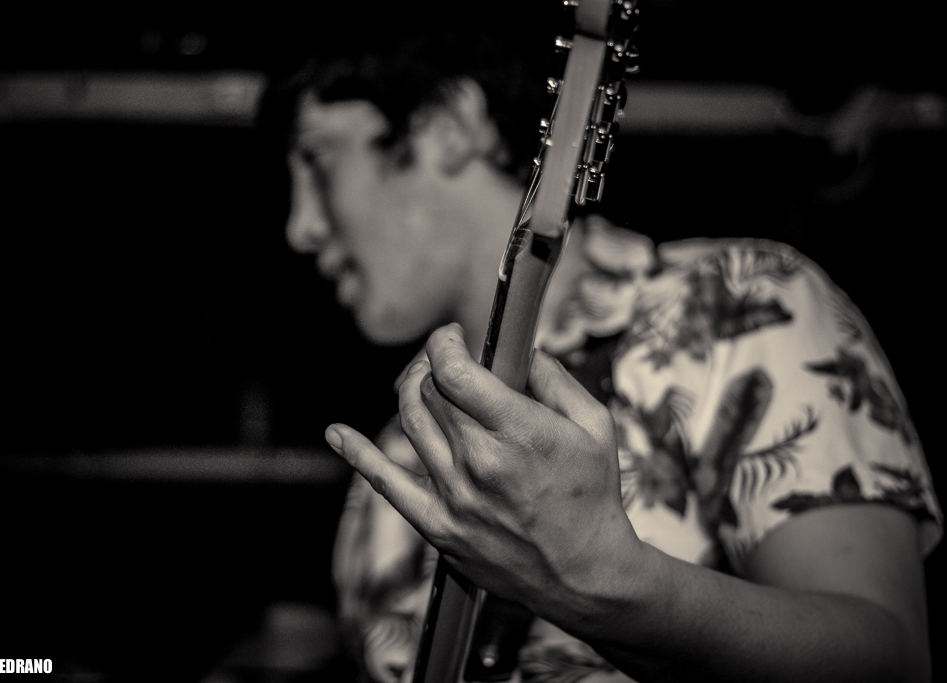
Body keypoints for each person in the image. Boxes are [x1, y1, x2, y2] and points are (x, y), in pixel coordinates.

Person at [268, 3, 940, 680]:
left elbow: (888, 661)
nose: (300, 227)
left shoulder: (744, 303)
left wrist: (606, 583)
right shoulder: (392, 454)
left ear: (450, 125)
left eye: (316, 159)